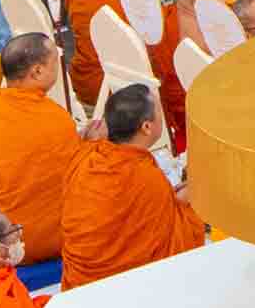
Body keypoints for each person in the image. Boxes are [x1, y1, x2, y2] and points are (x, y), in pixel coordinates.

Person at [62, 83, 208, 285]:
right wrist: (189, 199)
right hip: (120, 288)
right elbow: (173, 244)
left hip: (77, 283)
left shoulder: (85, 156)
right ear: (146, 127)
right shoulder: (146, 177)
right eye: (159, 111)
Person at [0, 35, 81, 264]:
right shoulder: (56, 120)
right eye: (56, 59)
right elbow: (77, 177)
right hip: (39, 242)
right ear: (37, 71)